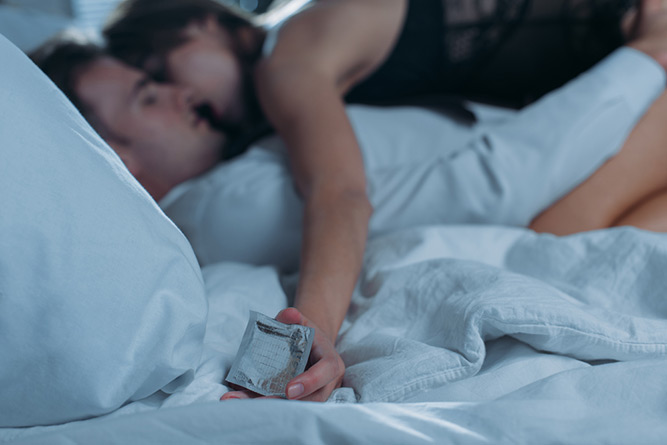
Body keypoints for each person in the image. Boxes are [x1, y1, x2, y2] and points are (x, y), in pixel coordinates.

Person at [32, 0, 667, 403]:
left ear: (205, 19)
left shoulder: (287, 54)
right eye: (147, 90)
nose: (173, 91)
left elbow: (339, 193)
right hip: (572, 120)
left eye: (156, 68)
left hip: (613, 49)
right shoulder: (230, 176)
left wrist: (313, 334)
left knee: (581, 221)